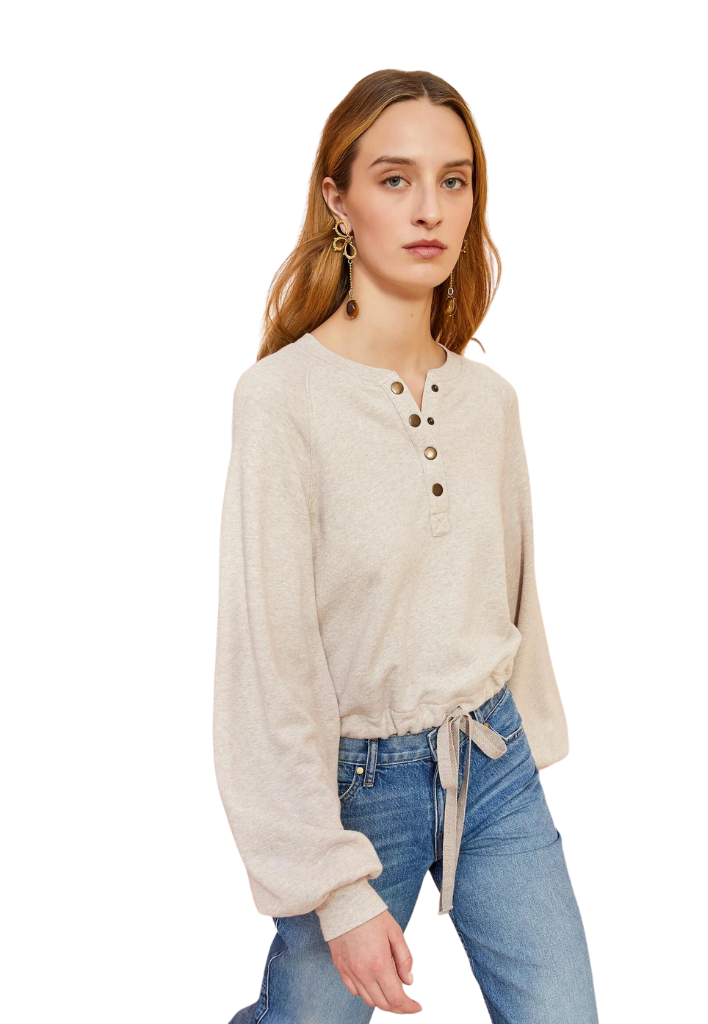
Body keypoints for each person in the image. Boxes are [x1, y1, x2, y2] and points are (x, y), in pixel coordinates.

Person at [214, 69, 599, 1023]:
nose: (431, 208)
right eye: (396, 179)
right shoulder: (281, 403)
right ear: (337, 200)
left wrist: (530, 739)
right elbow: (270, 662)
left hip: (492, 765)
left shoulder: (489, 403)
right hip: (353, 790)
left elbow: (515, 598)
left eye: (454, 180)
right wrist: (332, 880)